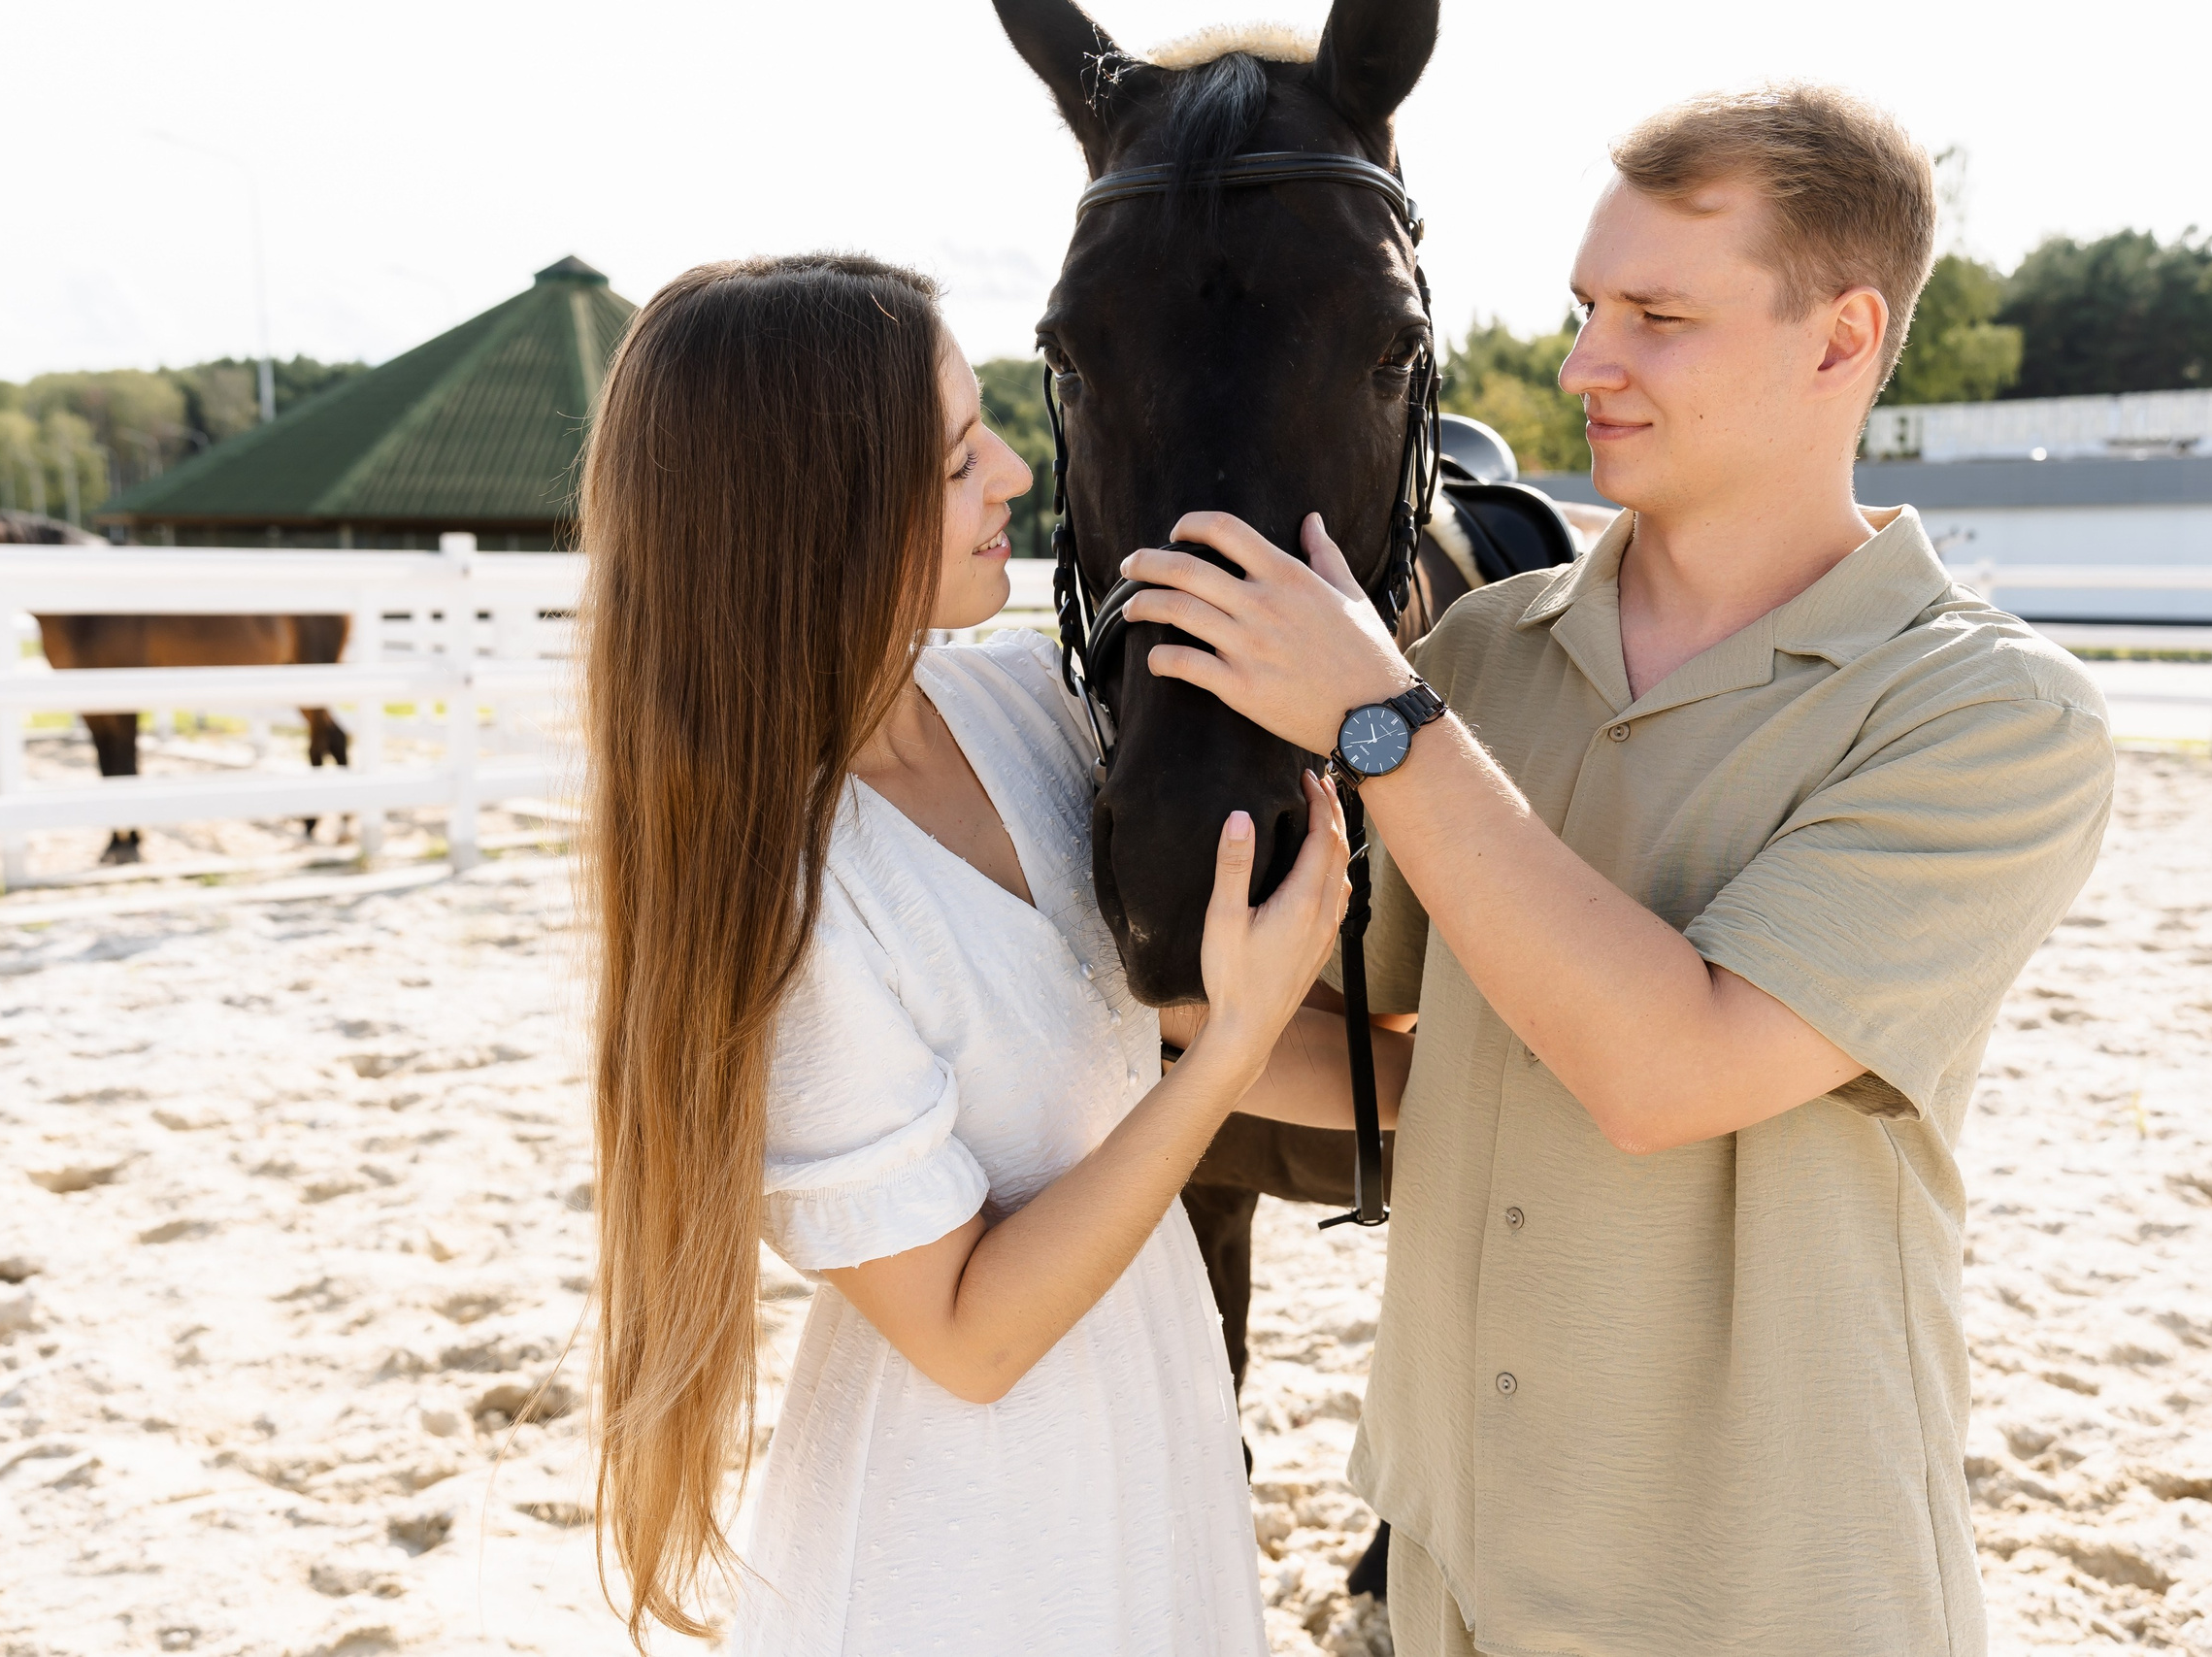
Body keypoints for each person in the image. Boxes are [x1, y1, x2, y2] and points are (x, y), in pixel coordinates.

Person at [1117, 87, 2116, 1655]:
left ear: (1843, 338)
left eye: (1658, 316)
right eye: (1589, 308)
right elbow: (1403, 1065)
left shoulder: (1987, 713)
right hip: (1450, 1558)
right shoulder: (1479, 662)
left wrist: (1382, 721)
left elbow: (1668, 1070)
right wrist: (1131, 1009)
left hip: (1756, 1583)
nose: (1587, 364)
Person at [577, 252, 1359, 1656]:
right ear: (817, 515)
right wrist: (1236, 1040)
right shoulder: (794, 899)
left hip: (1149, 1402)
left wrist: (1454, 1092)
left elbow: (1152, 1033)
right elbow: (966, 1334)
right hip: (971, 1522)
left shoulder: (1022, 708)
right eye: (953, 461)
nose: (1012, 471)